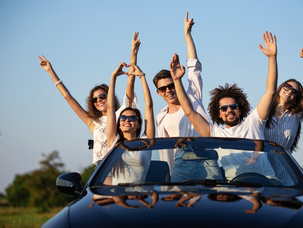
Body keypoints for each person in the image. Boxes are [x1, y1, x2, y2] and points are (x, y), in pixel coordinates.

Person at [169, 31, 278, 180]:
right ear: (218, 113)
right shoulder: (215, 133)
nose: (229, 110)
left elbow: (270, 92)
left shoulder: (254, 122)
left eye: (233, 106)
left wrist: (272, 58)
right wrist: (176, 81)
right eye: (224, 108)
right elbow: (189, 111)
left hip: (268, 183)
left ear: (240, 109)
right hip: (234, 188)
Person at [38, 32, 140, 166]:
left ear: (110, 96)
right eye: (95, 99)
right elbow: (68, 97)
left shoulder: (121, 114)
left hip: (122, 162)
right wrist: (51, 71)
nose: (99, 100)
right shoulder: (93, 122)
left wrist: (133, 54)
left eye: (102, 96)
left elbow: (130, 83)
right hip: (100, 167)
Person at [152, 12, 209, 171]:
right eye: (163, 88)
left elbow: (194, 67)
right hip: (180, 167)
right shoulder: (161, 117)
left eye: (171, 86)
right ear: (159, 93)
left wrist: (187, 34)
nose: (169, 90)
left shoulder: (193, 97)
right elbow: (165, 152)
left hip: (205, 162)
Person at [264, 48, 303, 153]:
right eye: (287, 86)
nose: (290, 91)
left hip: (284, 166)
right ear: (281, 87)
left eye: (295, 92)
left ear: (296, 98)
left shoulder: (296, 114)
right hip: (263, 164)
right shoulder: (265, 111)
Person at [106, 62, 155, 184]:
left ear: (138, 124)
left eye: (132, 118)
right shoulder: (114, 141)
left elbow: (149, 106)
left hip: (140, 197)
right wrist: (113, 77)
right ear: (119, 124)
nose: (127, 120)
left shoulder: (145, 142)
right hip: (117, 196)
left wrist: (142, 76)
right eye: (123, 117)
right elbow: (110, 107)